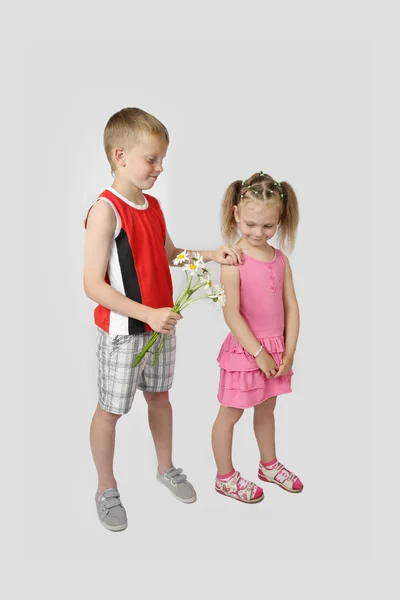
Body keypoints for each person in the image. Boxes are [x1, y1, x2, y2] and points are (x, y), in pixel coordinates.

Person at [84, 107, 242, 530]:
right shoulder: (105, 210)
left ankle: (166, 467)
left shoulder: (152, 206)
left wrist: (211, 254)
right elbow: (93, 286)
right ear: (120, 155)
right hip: (124, 332)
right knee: (109, 411)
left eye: (161, 159)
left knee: (160, 399)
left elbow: (170, 256)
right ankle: (105, 487)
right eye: (151, 158)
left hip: (161, 327)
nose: (159, 167)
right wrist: (147, 314)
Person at [211, 171, 303, 503]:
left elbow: (291, 306)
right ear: (236, 213)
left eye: (268, 226)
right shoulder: (233, 261)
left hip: (276, 351)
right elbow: (231, 313)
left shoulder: (280, 259)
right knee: (230, 413)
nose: (258, 232)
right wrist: (257, 353)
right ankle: (225, 477)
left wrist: (288, 352)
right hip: (246, 352)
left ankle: (269, 464)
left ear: (280, 219)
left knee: (266, 411)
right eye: (250, 224)